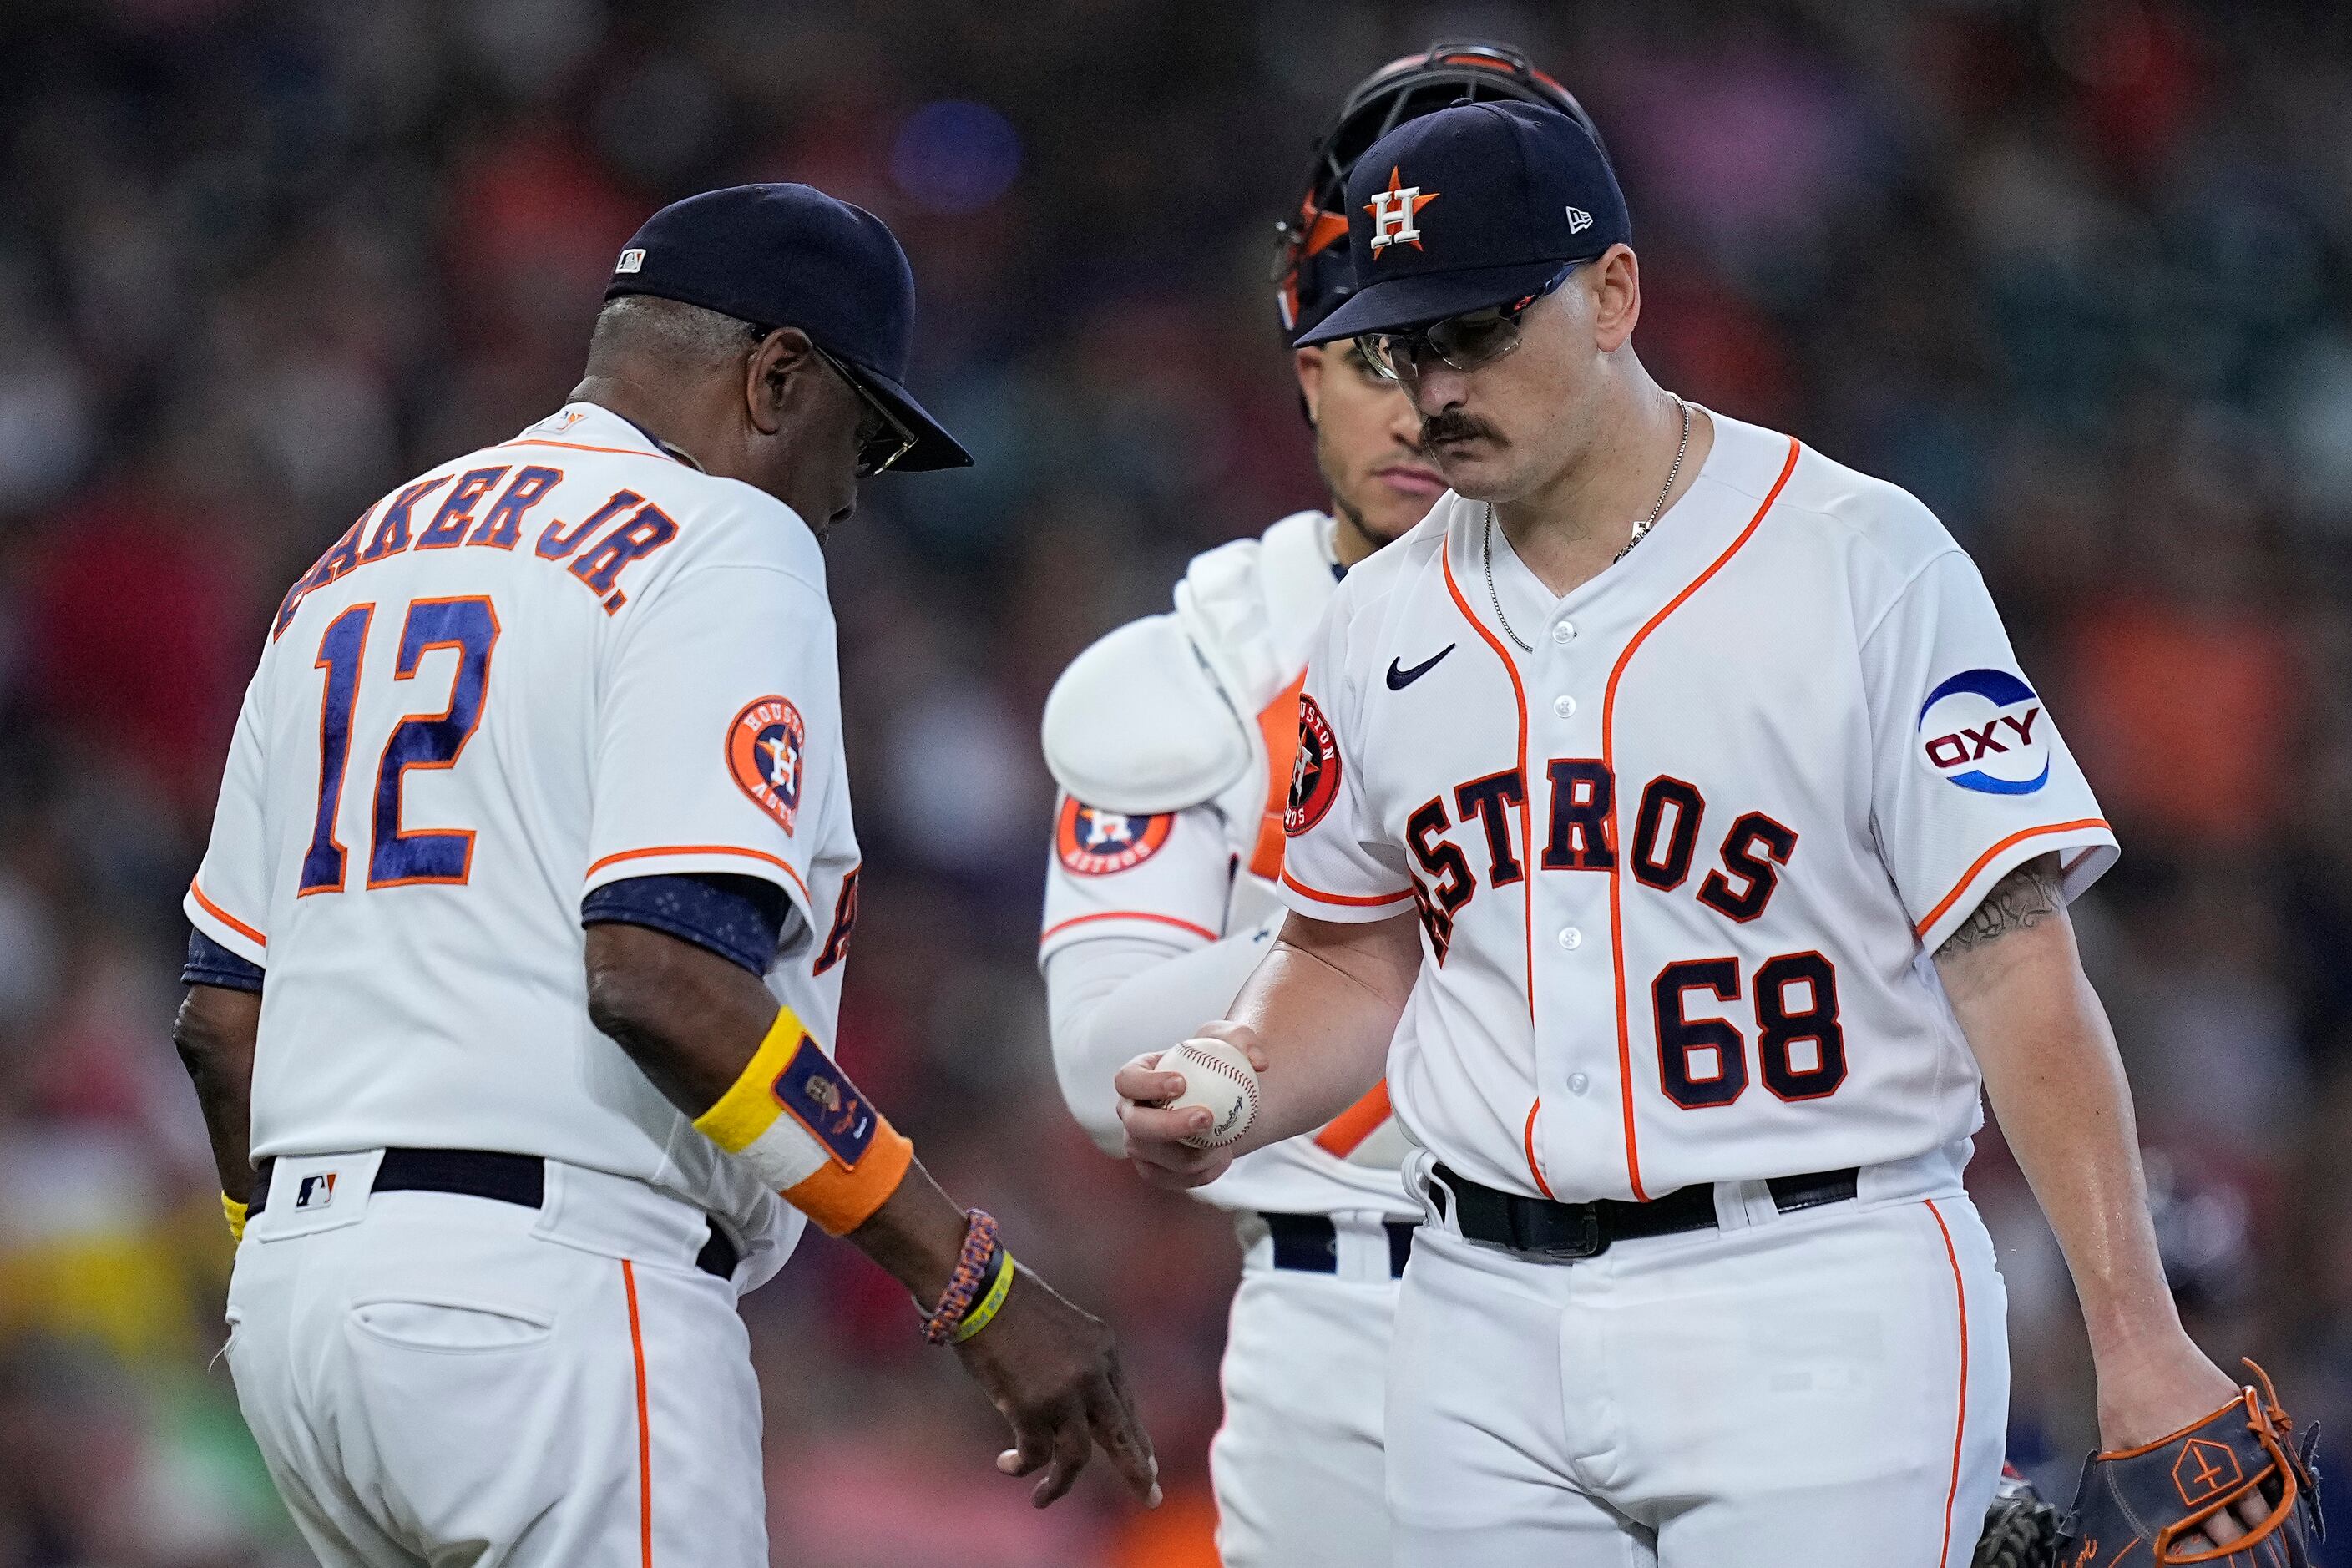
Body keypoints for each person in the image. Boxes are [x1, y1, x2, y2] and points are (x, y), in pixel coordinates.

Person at [1115, 100, 2277, 1565]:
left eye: (1475, 329)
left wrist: (2137, 1335)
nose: (1432, 388)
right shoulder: (1378, 623)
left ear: (1612, 292)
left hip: (1814, 1293)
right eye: (1403, 346)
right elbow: (1349, 953)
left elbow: (2014, 969)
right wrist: (1239, 1067)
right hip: (1475, 1313)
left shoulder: (1861, 559)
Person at [172, 183, 1156, 1568]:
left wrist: (302, 1255)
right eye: (859, 443)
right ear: (777, 375)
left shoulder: (351, 558)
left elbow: (222, 1019)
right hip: (555, 1298)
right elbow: (658, 973)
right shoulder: (722, 536)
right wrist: (972, 1280)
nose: (847, 500)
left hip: (299, 1316)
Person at [1038, 43, 1591, 1567]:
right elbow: (1102, 1066)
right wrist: (1427, 881)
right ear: (1303, 364)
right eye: (1372, 355)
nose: (1421, 403)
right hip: (1347, 1318)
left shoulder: (1700, 618)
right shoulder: (1207, 661)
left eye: (1465, 336)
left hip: (1662, 1295)